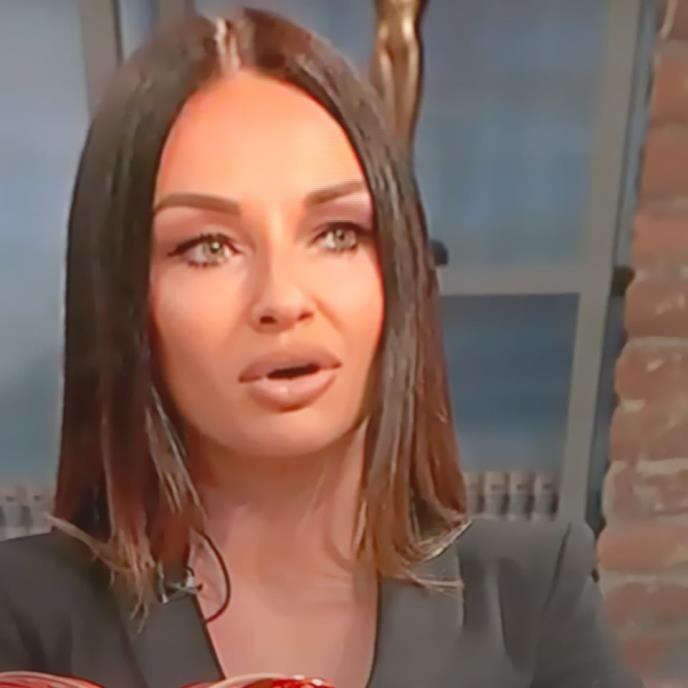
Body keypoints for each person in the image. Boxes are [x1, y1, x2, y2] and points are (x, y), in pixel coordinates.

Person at [0, 8, 640, 688]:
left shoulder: (532, 600)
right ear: (123, 298)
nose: (283, 298)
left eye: (337, 234)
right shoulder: (22, 617)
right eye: (208, 247)